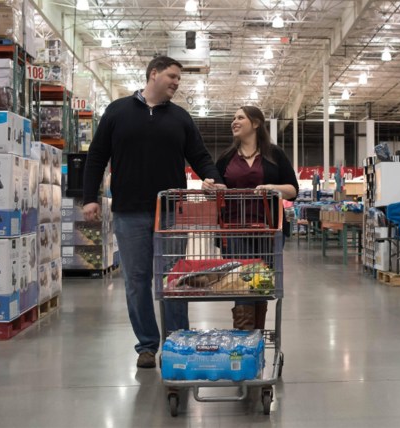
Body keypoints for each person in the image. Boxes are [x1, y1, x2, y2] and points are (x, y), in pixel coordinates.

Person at [82, 56, 225, 369]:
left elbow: (200, 156)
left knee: (175, 278)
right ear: (153, 74)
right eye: (172, 76)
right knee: (137, 279)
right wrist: (89, 197)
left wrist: (213, 178)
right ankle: (147, 345)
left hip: (170, 212)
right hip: (128, 212)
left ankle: (178, 341)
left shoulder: (180, 118)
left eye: (178, 79)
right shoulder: (118, 111)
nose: (176, 82)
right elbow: (96, 157)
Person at [203, 106, 299, 330]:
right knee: (241, 283)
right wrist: (208, 186)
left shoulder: (275, 155)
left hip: (268, 230)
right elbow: (219, 188)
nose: (234, 122)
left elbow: (293, 189)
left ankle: (255, 336)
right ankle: (245, 337)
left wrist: (271, 187)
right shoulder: (227, 158)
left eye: (240, 118)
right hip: (234, 230)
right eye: (233, 118)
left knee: (261, 285)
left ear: (255, 124)